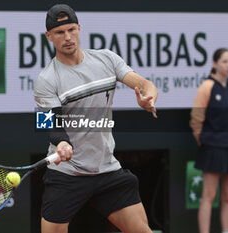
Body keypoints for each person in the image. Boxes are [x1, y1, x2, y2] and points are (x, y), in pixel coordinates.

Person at [34, 4, 158, 233]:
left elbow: (143, 84)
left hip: (107, 170)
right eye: (60, 33)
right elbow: (50, 125)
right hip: (67, 173)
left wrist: (148, 95)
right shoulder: (47, 79)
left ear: (79, 28)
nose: (68, 37)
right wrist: (62, 143)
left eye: (71, 29)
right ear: (49, 36)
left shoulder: (106, 59)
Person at [190, 48, 228, 233]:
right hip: (213, 147)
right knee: (209, 195)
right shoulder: (207, 87)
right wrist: (203, 140)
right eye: (224, 61)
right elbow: (196, 117)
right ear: (215, 64)